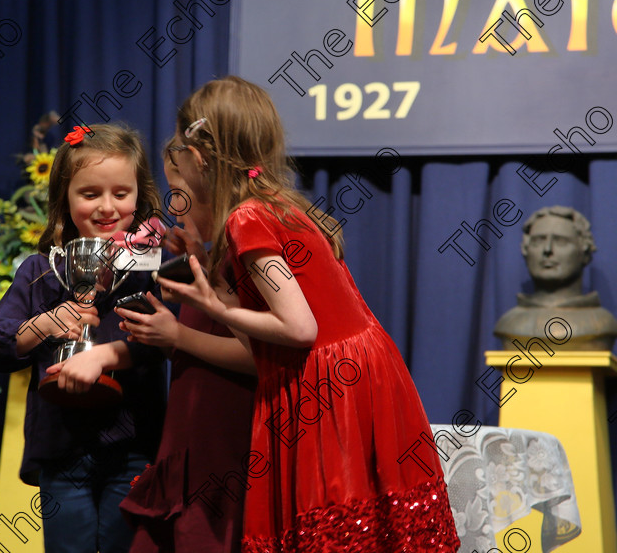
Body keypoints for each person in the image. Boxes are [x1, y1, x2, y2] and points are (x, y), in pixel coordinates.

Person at [153, 77, 460, 552]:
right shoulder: (278, 207)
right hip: (359, 375)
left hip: (325, 385)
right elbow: (281, 316)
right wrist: (215, 283)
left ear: (197, 159)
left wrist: (212, 305)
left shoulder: (246, 219)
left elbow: (297, 327)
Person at [0, 123, 170, 553]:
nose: (107, 207)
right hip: (62, 453)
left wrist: (104, 357)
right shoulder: (39, 271)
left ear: (139, 195)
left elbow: (163, 343)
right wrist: (46, 323)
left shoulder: (150, 270)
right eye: (90, 194)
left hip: (134, 450)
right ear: (64, 199)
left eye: (120, 194)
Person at [115, 142, 258, 552]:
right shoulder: (219, 258)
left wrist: (177, 336)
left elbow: (258, 356)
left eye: (180, 194)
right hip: (187, 444)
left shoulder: (247, 254)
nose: (175, 210)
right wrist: (200, 259)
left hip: (221, 453)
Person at [494, 205, 617, 350]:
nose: (547, 250)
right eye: (538, 241)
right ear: (525, 250)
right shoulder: (510, 323)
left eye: (561, 241)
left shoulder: (601, 324)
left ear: (584, 252)